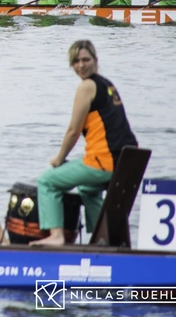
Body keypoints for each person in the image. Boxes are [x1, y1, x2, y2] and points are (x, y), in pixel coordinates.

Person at [33, 40, 138, 246]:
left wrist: (59, 159)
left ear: (96, 60)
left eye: (85, 60)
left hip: (105, 161)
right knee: (88, 189)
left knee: (47, 181)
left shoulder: (87, 86)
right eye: (76, 61)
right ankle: (102, 239)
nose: (81, 65)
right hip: (127, 162)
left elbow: (73, 131)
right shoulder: (107, 85)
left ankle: (56, 236)